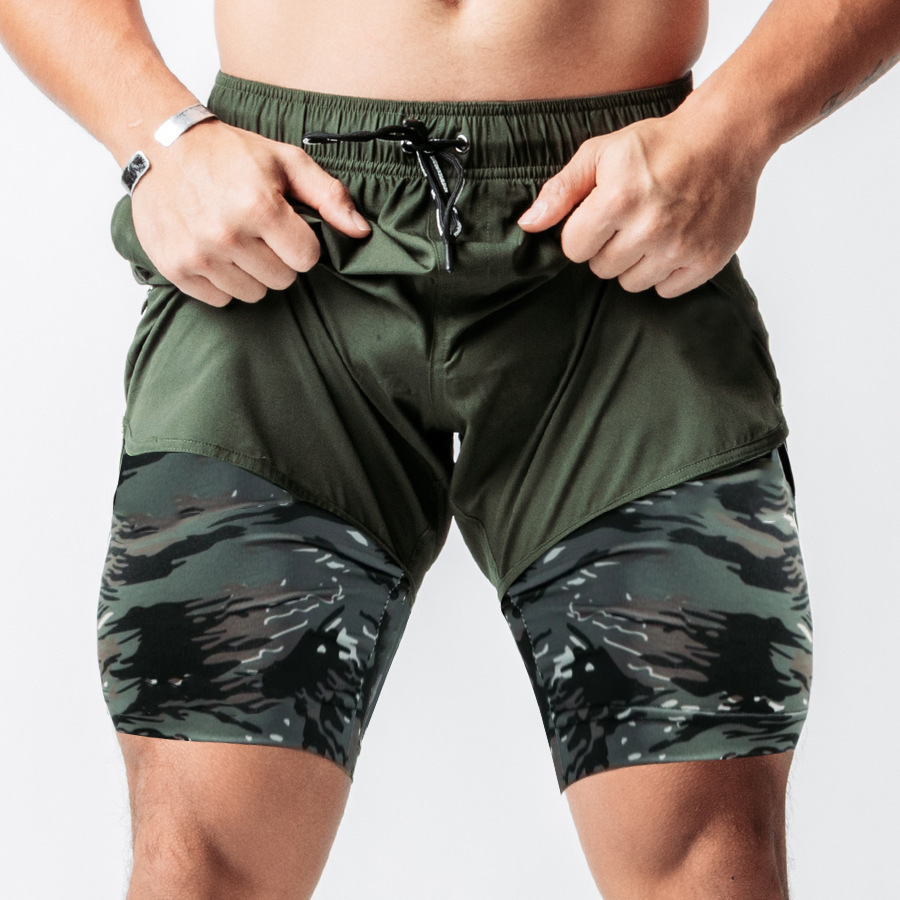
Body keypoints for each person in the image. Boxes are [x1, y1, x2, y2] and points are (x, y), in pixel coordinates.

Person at [0, 1, 897, 897]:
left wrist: (734, 127)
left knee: (706, 857)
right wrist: (158, 136)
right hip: (278, 240)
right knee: (203, 859)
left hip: (620, 230)